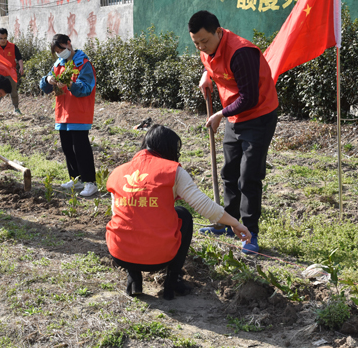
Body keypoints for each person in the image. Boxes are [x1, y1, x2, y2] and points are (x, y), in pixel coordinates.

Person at [106, 125, 251, 300]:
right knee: (183, 215)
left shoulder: (118, 171)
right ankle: (172, 282)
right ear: (169, 148)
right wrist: (235, 223)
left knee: (128, 217)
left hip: (120, 253)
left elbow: (116, 212)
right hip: (159, 257)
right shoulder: (172, 171)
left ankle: (134, 280)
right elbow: (204, 206)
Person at [188, 10, 279, 255]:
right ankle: (229, 224)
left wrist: (220, 114)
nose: (201, 47)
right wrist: (206, 76)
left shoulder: (242, 52)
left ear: (219, 32)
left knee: (248, 176)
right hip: (234, 115)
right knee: (229, 172)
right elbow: (211, 64)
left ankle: (249, 232)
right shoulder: (207, 47)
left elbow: (250, 98)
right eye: (196, 43)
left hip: (258, 115)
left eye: (205, 41)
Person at [39, 34, 98, 197]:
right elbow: (44, 86)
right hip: (62, 114)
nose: (60, 54)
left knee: (81, 148)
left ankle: (90, 182)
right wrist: (47, 79)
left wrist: (71, 84)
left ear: (69, 44)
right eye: (57, 52)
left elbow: (87, 87)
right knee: (67, 148)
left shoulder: (83, 64)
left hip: (78, 113)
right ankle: (76, 178)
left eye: (61, 50)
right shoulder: (58, 64)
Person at [0, 28, 24, 119]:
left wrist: (21, 67)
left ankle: (16, 108)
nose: (3, 40)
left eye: (5, 38)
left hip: (11, 74)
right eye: (1, 38)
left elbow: (19, 58)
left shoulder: (13, 46)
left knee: (13, 91)